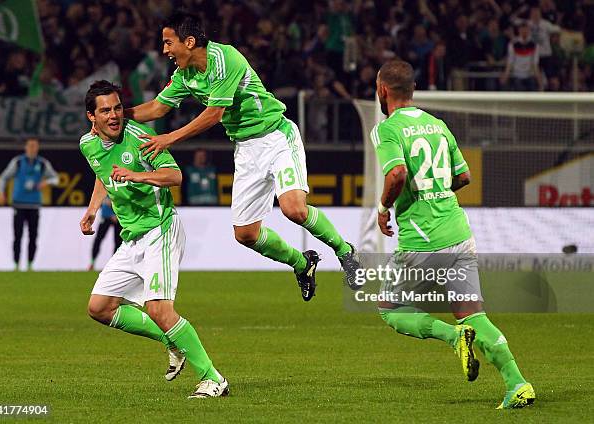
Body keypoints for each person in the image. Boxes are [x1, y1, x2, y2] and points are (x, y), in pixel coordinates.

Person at [122, 11, 360, 300]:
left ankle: (345, 251)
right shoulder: (185, 75)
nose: (165, 50)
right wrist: (116, 116)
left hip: (276, 136)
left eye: (168, 42)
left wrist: (169, 138)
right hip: (246, 150)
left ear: (190, 41)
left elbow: (214, 114)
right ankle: (302, 263)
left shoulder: (225, 58)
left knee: (293, 208)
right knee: (245, 234)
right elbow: (158, 108)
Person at [371, 60, 535, 409]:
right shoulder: (437, 125)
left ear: (383, 90)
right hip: (458, 231)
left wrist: (384, 208)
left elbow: (397, 174)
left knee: (390, 307)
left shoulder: (387, 129)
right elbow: (464, 177)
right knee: (474, 314)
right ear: (412, 91)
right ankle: (518, 383)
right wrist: (435, 192)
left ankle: (453, 337)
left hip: (421, 239)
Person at [79, 80, 228, 399]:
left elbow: (175, 176)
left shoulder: (141, 139)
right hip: (132, 237)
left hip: (161, 228)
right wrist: (93, 209)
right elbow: (102, 171)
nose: (115, 115)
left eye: (118, 107)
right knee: (100, 307)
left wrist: (137, 175)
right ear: (92, 117)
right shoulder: (88, 144)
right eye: (105, 110)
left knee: (159, 309)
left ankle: (213, 377)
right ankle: (171, 340)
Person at [0, 138, 59, 271]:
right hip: (19, 204)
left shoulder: (42, 163)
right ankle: (16, 264)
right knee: (17, 236)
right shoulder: (18, 162)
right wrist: (1, 193)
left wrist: (45, 183)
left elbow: (55, 178)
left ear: (37, 148)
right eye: (30, 146)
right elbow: (4, 177)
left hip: (34, 205)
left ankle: (30, 264)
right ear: (26, 147)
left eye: (34, 146)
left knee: (33, 236)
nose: (32, 148)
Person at [500, 23, 543, 91]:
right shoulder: (513, 44)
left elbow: (535, 64)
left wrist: (540, 81)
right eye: (522, 29)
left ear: (529, 30)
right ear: (519, 30)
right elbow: (510, 62)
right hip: (517, 75)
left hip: (530, 75)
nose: (524, 31)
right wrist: (505, 76)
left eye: (526, 29)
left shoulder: (534, 45)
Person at [88, 196, 122, 271]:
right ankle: (92, 262)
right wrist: (111, 214)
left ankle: (114, 264)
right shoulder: (106, 186)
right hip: (106, 216)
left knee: (118, 241)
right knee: (99, 239)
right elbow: (105, 201)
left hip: (119, 216)